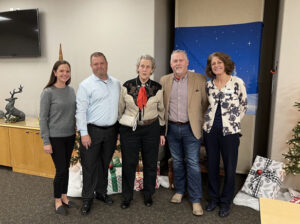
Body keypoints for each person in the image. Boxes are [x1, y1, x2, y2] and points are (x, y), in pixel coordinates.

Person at [160, 49, 208, 216]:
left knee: (193, 163)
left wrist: (199, 122)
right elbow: (162, 106)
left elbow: (205, 104)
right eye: (175, 61)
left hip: (190, 128)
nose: (178, 63)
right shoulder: (164, 80)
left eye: (181, 60)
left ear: (187, 63)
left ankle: (195, 199)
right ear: (171, 64)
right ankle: (180, 191)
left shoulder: (200, 79)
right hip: (172, 128)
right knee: (178, 161)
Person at [203, 52, 248, 217]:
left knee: (229, 167)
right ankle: (213, 199)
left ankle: (225, 202)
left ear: (225, 64)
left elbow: (244, 104)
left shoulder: (237, 82)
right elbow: (207, 105)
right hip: (210, 131)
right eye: (213, 63)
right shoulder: (209, 85)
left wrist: (234, 122)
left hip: (230, 132)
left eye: (219, 62)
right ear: (210, 67)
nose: (216, 66)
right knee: (212, 166)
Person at [76, 52, 120, 215]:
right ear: (91, 66)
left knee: (104, 164)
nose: (99, 66)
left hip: (111, 131)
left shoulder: (116, 83)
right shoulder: (85, 85)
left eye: (101, 63)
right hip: (92, 131)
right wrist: (84, 133)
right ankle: (87, 199)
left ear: (106, 64)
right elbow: (80, 111)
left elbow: (119, 107)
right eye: (95, 64)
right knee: (89, 166)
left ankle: (101, 193)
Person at [118, 55, 165, 209]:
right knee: (129, 163)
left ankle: (148, 194)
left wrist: (161, 132)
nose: (145, 69)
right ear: (138, 68)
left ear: (152, 70)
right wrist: (119, 131)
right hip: (130, 130)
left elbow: (162, 111)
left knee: (150, 163)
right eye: (142, 66)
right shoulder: (126, 86)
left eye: (148, 67)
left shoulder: (157, 88)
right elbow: (120, 109)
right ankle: (127, 196)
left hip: (151, 129)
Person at [39, 60, 77, 216]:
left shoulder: (71, 90)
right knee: (60, 170)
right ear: (54, 73)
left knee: (66, 168)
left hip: (70, 135)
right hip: (55, 137)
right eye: (61, 71)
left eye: (67, 71)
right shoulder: (48, 92)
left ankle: (64, 195)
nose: (64, 74)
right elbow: (43, 118)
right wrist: (46, 141)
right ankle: (57, 200)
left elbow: (73, 112)